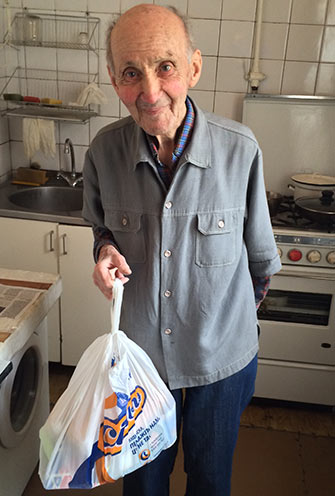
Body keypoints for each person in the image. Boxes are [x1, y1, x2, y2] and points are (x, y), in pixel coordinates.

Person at [82, 4, 281, 495]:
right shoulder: (103, 152)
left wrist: (228, 323)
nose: (149, 92)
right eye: (132, 73)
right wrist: (104, 251)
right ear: (114, 79)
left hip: (222, 358)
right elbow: (100, 229)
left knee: (210, 479)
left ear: (194, 66)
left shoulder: (241, 151)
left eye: (165, 66)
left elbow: (261, 263)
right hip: (140, 359)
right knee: (143, 482)